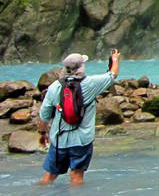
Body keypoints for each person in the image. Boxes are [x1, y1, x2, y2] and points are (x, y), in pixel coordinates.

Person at [38, 49, 121, 186]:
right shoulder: (90, 84)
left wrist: (42, 133)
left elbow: (44, 115)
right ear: (81, 67)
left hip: (59, 140)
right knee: (76, 177)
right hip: (81, 141)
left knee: (50, 176)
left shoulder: (54, 87)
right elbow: (113, 75)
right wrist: (115, 59)